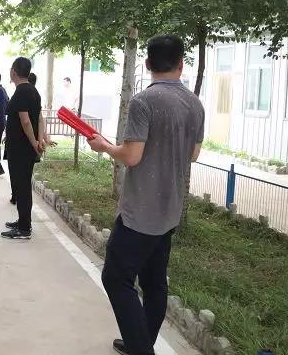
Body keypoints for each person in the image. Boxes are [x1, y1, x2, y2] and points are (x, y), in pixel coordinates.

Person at [87, 35, 204, 355]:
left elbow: (132, 156)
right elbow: (193, 154)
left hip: (141, 212)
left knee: (116, 278)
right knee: (154, 283)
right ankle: (141, 341)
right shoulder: (195, 104)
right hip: (170, 210)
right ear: (181, 64)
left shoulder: (143, 101)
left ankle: (141, 348)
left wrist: (104, 146)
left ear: (149, 63)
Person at [1, 58, 42, 240]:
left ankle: (24, 229)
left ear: (14, 71)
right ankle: (23, 221)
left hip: (21, 149)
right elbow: (39, 118)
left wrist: (34, 143)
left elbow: (26, 121)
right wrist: (39, 140)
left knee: (22, 187)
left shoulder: (22, 91)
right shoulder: (32, 90)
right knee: (22, 186)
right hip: (24, 147)